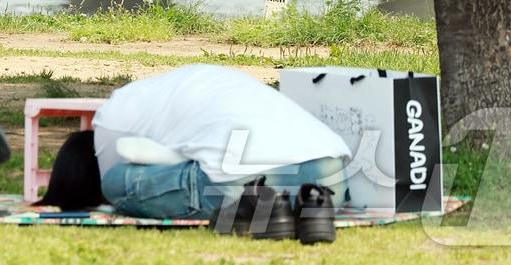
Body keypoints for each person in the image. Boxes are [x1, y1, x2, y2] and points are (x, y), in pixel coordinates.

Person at [39, 64, 350, 222]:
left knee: (119, 181)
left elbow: (116, 183)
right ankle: (289, 210)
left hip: (239, 186)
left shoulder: (110, 116)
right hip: (329, 177)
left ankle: (260, 212)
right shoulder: (172, 88)